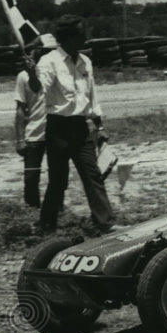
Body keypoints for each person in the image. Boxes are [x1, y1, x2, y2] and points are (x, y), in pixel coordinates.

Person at [36, 15, 116, 234]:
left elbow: (92, 97)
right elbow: (39, 91)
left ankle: (106, 222)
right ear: (69, 37)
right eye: (81, 34)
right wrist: (33, 77)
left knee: (93, 175)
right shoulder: (49, 61)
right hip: (58, 128)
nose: (85, 38)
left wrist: (99, 127)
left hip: (80, 128)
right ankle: (46, 224)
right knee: (58, 180)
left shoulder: (85, 62)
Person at [14, 33, 56, 207]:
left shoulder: (57, 72)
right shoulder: (23, 76)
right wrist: (20, 139)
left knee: (57, 175)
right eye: (46, 51)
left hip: (55, 132)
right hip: (34, 134)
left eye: (52, 51)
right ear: (37, 51)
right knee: (31, 176)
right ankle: (32, 208)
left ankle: (55, 207)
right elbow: (20, 109)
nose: (50, 54)